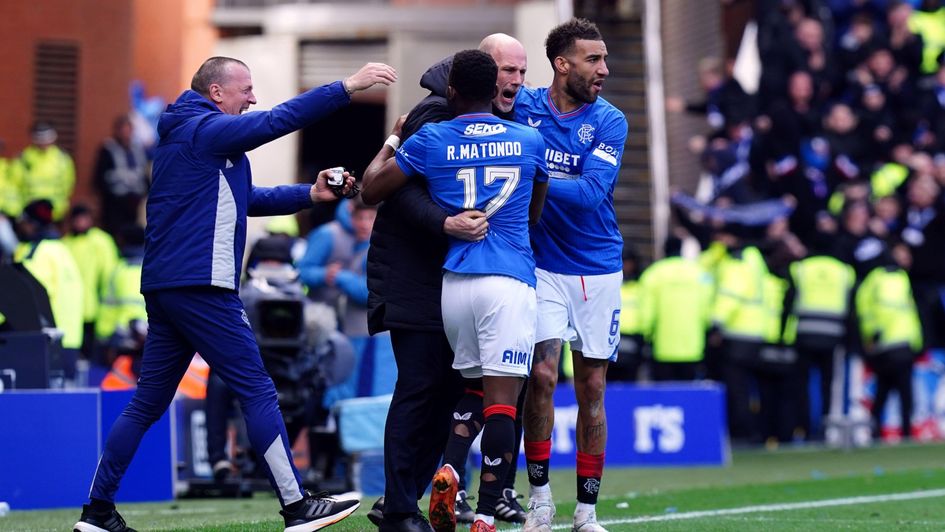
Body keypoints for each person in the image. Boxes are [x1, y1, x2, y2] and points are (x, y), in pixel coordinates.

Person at [73, 55, 396, 532]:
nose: (253, 97)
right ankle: (297, 506)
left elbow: (247, 200)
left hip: (168, 287)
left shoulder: (188, 136)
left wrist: (311, 195)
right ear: (217, 93)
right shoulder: (207, 130)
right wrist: (347, 87)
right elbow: (279, 120)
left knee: (147, 402)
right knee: (258, 390)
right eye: (245, 88)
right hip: (203, 286)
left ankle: (96, 513)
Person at [361, 49, 548, 532]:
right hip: (462, 276)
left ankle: (434, 483)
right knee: (477, 396)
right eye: (509, 70)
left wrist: (394, 140)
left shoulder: (440, 136)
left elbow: (372, 187)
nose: (517, 81)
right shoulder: (517, 136)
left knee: (453, 393)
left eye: (522, 72)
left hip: (453, 280)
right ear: (490, 82)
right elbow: (535, 207)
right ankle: (464, 508)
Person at [512, 19, 628, 532]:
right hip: (540, 266)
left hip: (597, 267)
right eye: (593, 59)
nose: (604, 69)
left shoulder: (610, 121)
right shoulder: (524, 106)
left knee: (593, 390)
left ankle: (587, 512)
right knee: (539, 377)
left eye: (604, 59)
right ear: (562, 64)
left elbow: (587, 196)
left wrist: (529, 167)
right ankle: (539, 499)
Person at [638, 236, 713, 381]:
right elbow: (707, 310)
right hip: (694, 347)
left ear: (664, 250)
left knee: (665, 396)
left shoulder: (653, 274)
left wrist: (645, 336)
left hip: (662, 349)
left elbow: (646, 313)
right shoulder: (700, 274)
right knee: (687, 395)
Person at [63, 204, 120, 364]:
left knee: (94, 351)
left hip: (95, 306)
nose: (81, 222)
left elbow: (110, 274)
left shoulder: (100, 241)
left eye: (84, 218)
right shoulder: (66, 243)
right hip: (71, 307)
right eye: (77, 219)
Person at [93, 114, 151, 236]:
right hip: (114, 202)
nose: (126, 134)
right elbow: (100, 177)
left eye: (128, 130)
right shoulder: (108, 149)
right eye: (123, 130)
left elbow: (143, 173)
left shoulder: (138, 149)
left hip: (135, 201)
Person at [19, 122, 75, 222]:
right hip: (31, 208)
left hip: (55, 210)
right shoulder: (25, 157)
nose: (43, 142)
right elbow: (17, 182)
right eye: (40, 138)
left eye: (47, 137)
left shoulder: (62, 158)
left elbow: (68, 182)